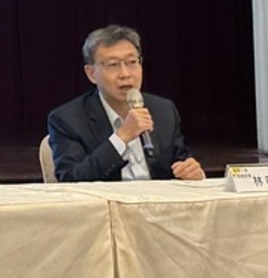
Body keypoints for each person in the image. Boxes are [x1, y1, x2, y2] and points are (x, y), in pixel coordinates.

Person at [47, 24, 204, 182]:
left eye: (132, 62)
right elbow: (71, 179)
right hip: (107, 198)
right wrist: (122, 137)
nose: (125, 74)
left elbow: (181, 162)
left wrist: (191, 172)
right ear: (91, 73)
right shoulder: (67, 119)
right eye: (113, 65)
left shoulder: (164, 110)